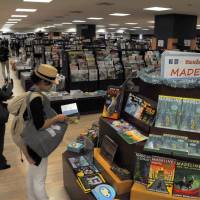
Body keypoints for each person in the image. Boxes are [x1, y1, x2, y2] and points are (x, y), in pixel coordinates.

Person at [23, 64, 67, 200]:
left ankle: (31, 197)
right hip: (37, 144)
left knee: (32, 172)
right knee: (40, 180)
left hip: (29, 140)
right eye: (50, 84)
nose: (52, 86)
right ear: (43, 82)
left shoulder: (32, 91)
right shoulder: (37, 99)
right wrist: (56, 118)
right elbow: (40, 125)